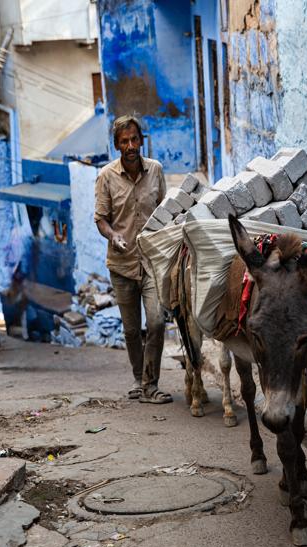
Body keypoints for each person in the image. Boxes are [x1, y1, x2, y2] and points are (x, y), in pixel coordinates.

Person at [95, 115, 171, 404]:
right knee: (130, 330)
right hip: (122, 264)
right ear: (117, 145)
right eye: (124, 141)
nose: (130, 145)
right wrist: (113, 235)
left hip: (152, 262)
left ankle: (151, 385)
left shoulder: (156, 171)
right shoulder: (106, 177)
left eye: (134, 139)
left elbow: (166, 210)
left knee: (156, 322)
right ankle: (139, 380)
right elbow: (101, 219)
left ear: (142, 141)